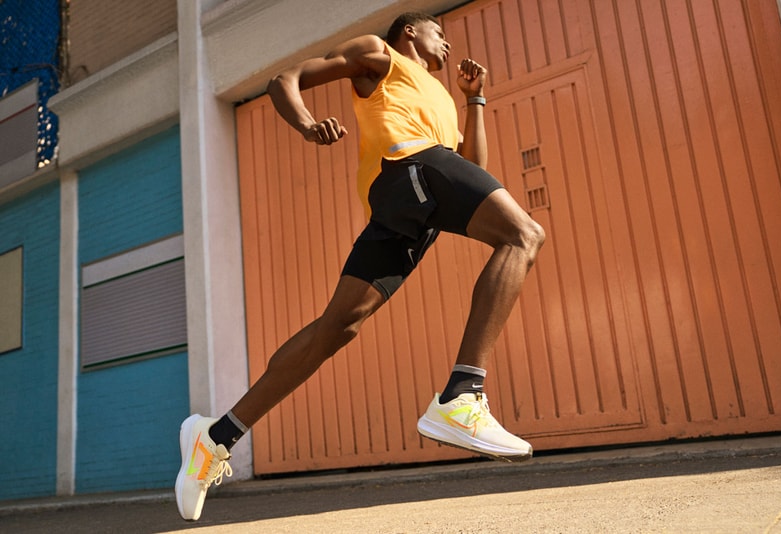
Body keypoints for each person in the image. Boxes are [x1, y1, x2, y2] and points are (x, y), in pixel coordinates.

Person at [174, 11, 546, 521]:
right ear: (412, 31)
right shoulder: (382, 54)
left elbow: (474, 173)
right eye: (441, 32)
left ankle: (216, 436)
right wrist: (307, 124)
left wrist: (474, 99)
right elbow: (285, 80)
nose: (448, 43)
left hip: (412, 203)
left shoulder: (439, 100)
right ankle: (463, 393)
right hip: (408, 170)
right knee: (525, 234)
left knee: (338, 327)